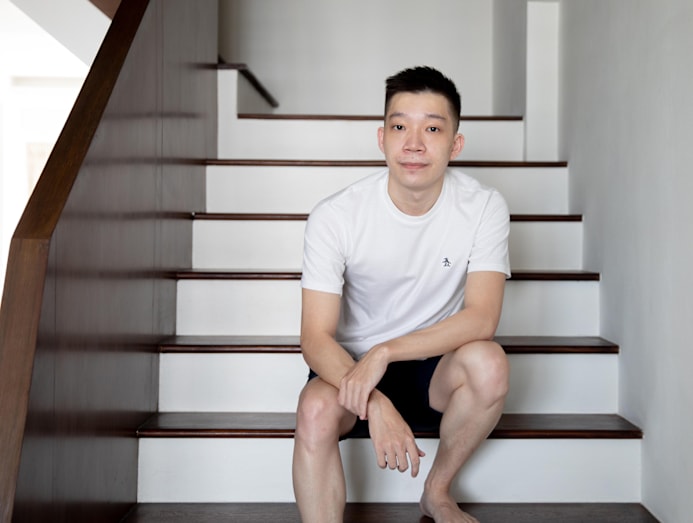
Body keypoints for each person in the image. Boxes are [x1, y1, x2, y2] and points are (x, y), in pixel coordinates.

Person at [292, 66, 510, 523]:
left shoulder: (484, 206)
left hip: (434, 367)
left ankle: (438, 491)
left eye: (432, 128)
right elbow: (314, 338)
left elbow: (482, 318)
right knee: (314, 408)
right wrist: (372, 398)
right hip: (351, 364)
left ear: (455, 144)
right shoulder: (336, 216)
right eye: (399, 127)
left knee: (489, 363)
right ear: (381, 138)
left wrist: (386, 352)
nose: (413, 143)